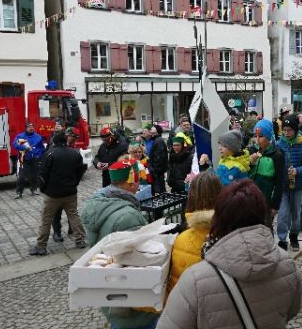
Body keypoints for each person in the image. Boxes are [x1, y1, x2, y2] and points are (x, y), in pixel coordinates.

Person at [157, 179, 302, 329]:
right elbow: (292, 310)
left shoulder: (195, 279)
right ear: (262, 213)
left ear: (220, 217)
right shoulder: (288, 265)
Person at [81, 159, 158, 329]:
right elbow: (138, 259)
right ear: (132, 181)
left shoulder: (100, 201)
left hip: (109, 288)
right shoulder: (128, 216)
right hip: (129, 297)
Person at [166, 171, 222, 299]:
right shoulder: (232, 236)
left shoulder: (181, 240)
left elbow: (174, 292)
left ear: (191, 199)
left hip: (186, 307)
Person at [29, 132, 86, 255]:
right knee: (74, 216)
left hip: (53, 193)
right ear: (65, 141)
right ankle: (80, 240)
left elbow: (42, 175)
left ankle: (41, 246)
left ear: (54, 141)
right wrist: (74, 183)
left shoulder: (50, 154)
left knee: (46, 219)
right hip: (70, 192)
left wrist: (43, 189)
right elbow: (80, 171)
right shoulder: (75, 153)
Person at [276, 114, 302, 251]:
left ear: (295, 129)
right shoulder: (279, 144)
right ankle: (282, 239)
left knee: (296, 213)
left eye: (289, 130)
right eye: (284, 130)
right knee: (282, 213)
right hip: (282, 186)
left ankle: (294, 236)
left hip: (297, 185)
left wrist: (297, 171)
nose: (286, 133)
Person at [52, 127, 87, 242]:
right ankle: (57, 232)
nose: (75, 140)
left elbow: (79, 169)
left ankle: (72, 228)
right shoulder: (55, 145)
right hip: (56, 184)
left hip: (70, 185)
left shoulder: (73, 148)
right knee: (56, 211)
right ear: (68, 135)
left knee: (72, 210)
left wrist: (75, 181)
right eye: (74, 138)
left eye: (76, 138)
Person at [249, 119, 284, 230]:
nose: (257, 139)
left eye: (261, 136)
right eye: (255, 136)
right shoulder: (252, 151)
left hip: (267, 200)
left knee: (265, 229)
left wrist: (275, 205)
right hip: (251, 198)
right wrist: (250, 163)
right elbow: (246, 174)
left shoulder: (277, 155)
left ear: (268, 137)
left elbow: (279, 182)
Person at [13, 122, 45, 198]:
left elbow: (41, 148)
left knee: (34, 176)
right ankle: (19, 192)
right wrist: (24, 147)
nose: (31, 128)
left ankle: (34, 189)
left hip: (34, 159)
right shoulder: (20, 136)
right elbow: (15, 145)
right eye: (29, 127)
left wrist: (39, 155)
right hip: (23, 159)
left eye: (32, 127)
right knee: (22, 176)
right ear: (26, 128)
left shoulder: (38, 137)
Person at [148, 125, 168, 195]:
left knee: (160, 190)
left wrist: (155, 170)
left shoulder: (158, 141)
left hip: (157, 171)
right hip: (158, 171)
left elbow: (159, 157)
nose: (150, 130)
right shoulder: (156, 140)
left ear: (156, 131)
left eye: (152, 129)